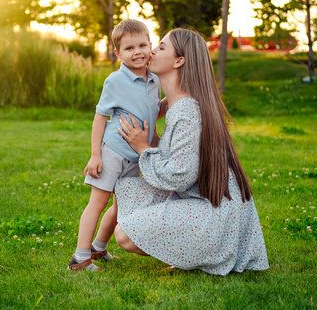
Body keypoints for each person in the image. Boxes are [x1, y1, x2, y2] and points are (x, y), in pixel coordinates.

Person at [114, 28, 269, 276]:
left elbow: (180, 176)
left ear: (179, 61)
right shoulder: (180, 103)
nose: (151, 51)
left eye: (161, 48)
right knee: (128, 191)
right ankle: (188, 250)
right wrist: (154, 139)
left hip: (217, 217)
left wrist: (143, 148)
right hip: (209, 203)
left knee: (125, 235)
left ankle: (202, 255)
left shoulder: (186, 110)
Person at [68, 19, 165, 271]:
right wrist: (95, 155)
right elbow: (100, 117)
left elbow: (152, 110)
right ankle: (79, 258)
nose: (138, 52)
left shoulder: (154, 80)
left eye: (142, 45)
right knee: (98, 202)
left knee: (121, 205)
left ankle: (99, 248)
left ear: (150, 45)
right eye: (129, 48)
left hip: (136, 156)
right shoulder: (115, 80)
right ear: (118, 53)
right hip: (112, 151)